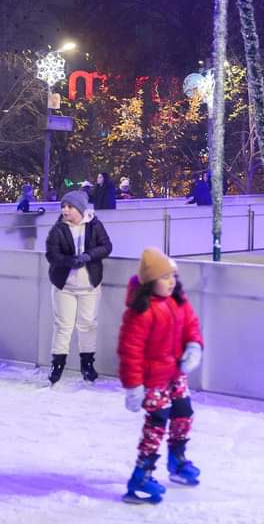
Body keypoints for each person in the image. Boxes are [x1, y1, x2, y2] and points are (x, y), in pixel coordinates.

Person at [118, 248, 204, 503]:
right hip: (152, 380)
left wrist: (194, 346)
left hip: (175, 374)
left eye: (173, 276)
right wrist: (134, 386)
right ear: (150, 282)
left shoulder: (178, 301)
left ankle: (177, 459)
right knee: (157, 423)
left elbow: (192, 325)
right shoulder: (141, 311)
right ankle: (141, 476)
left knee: (183, 413)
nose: (171, 282)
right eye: (164, 277)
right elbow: (130, 351)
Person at [43, 190, 113, 384]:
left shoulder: (94, 225)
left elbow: (106, 247)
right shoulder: (58, 229)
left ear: (80, 209)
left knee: (88, 324)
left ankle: (87, 365)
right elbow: (51, 254)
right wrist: (69, 261)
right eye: (63, 206)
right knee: (63, 326)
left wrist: (88, 256)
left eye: (70, 207)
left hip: (90, 286)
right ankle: (57, 365)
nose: (65, 210)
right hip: (64, 287)